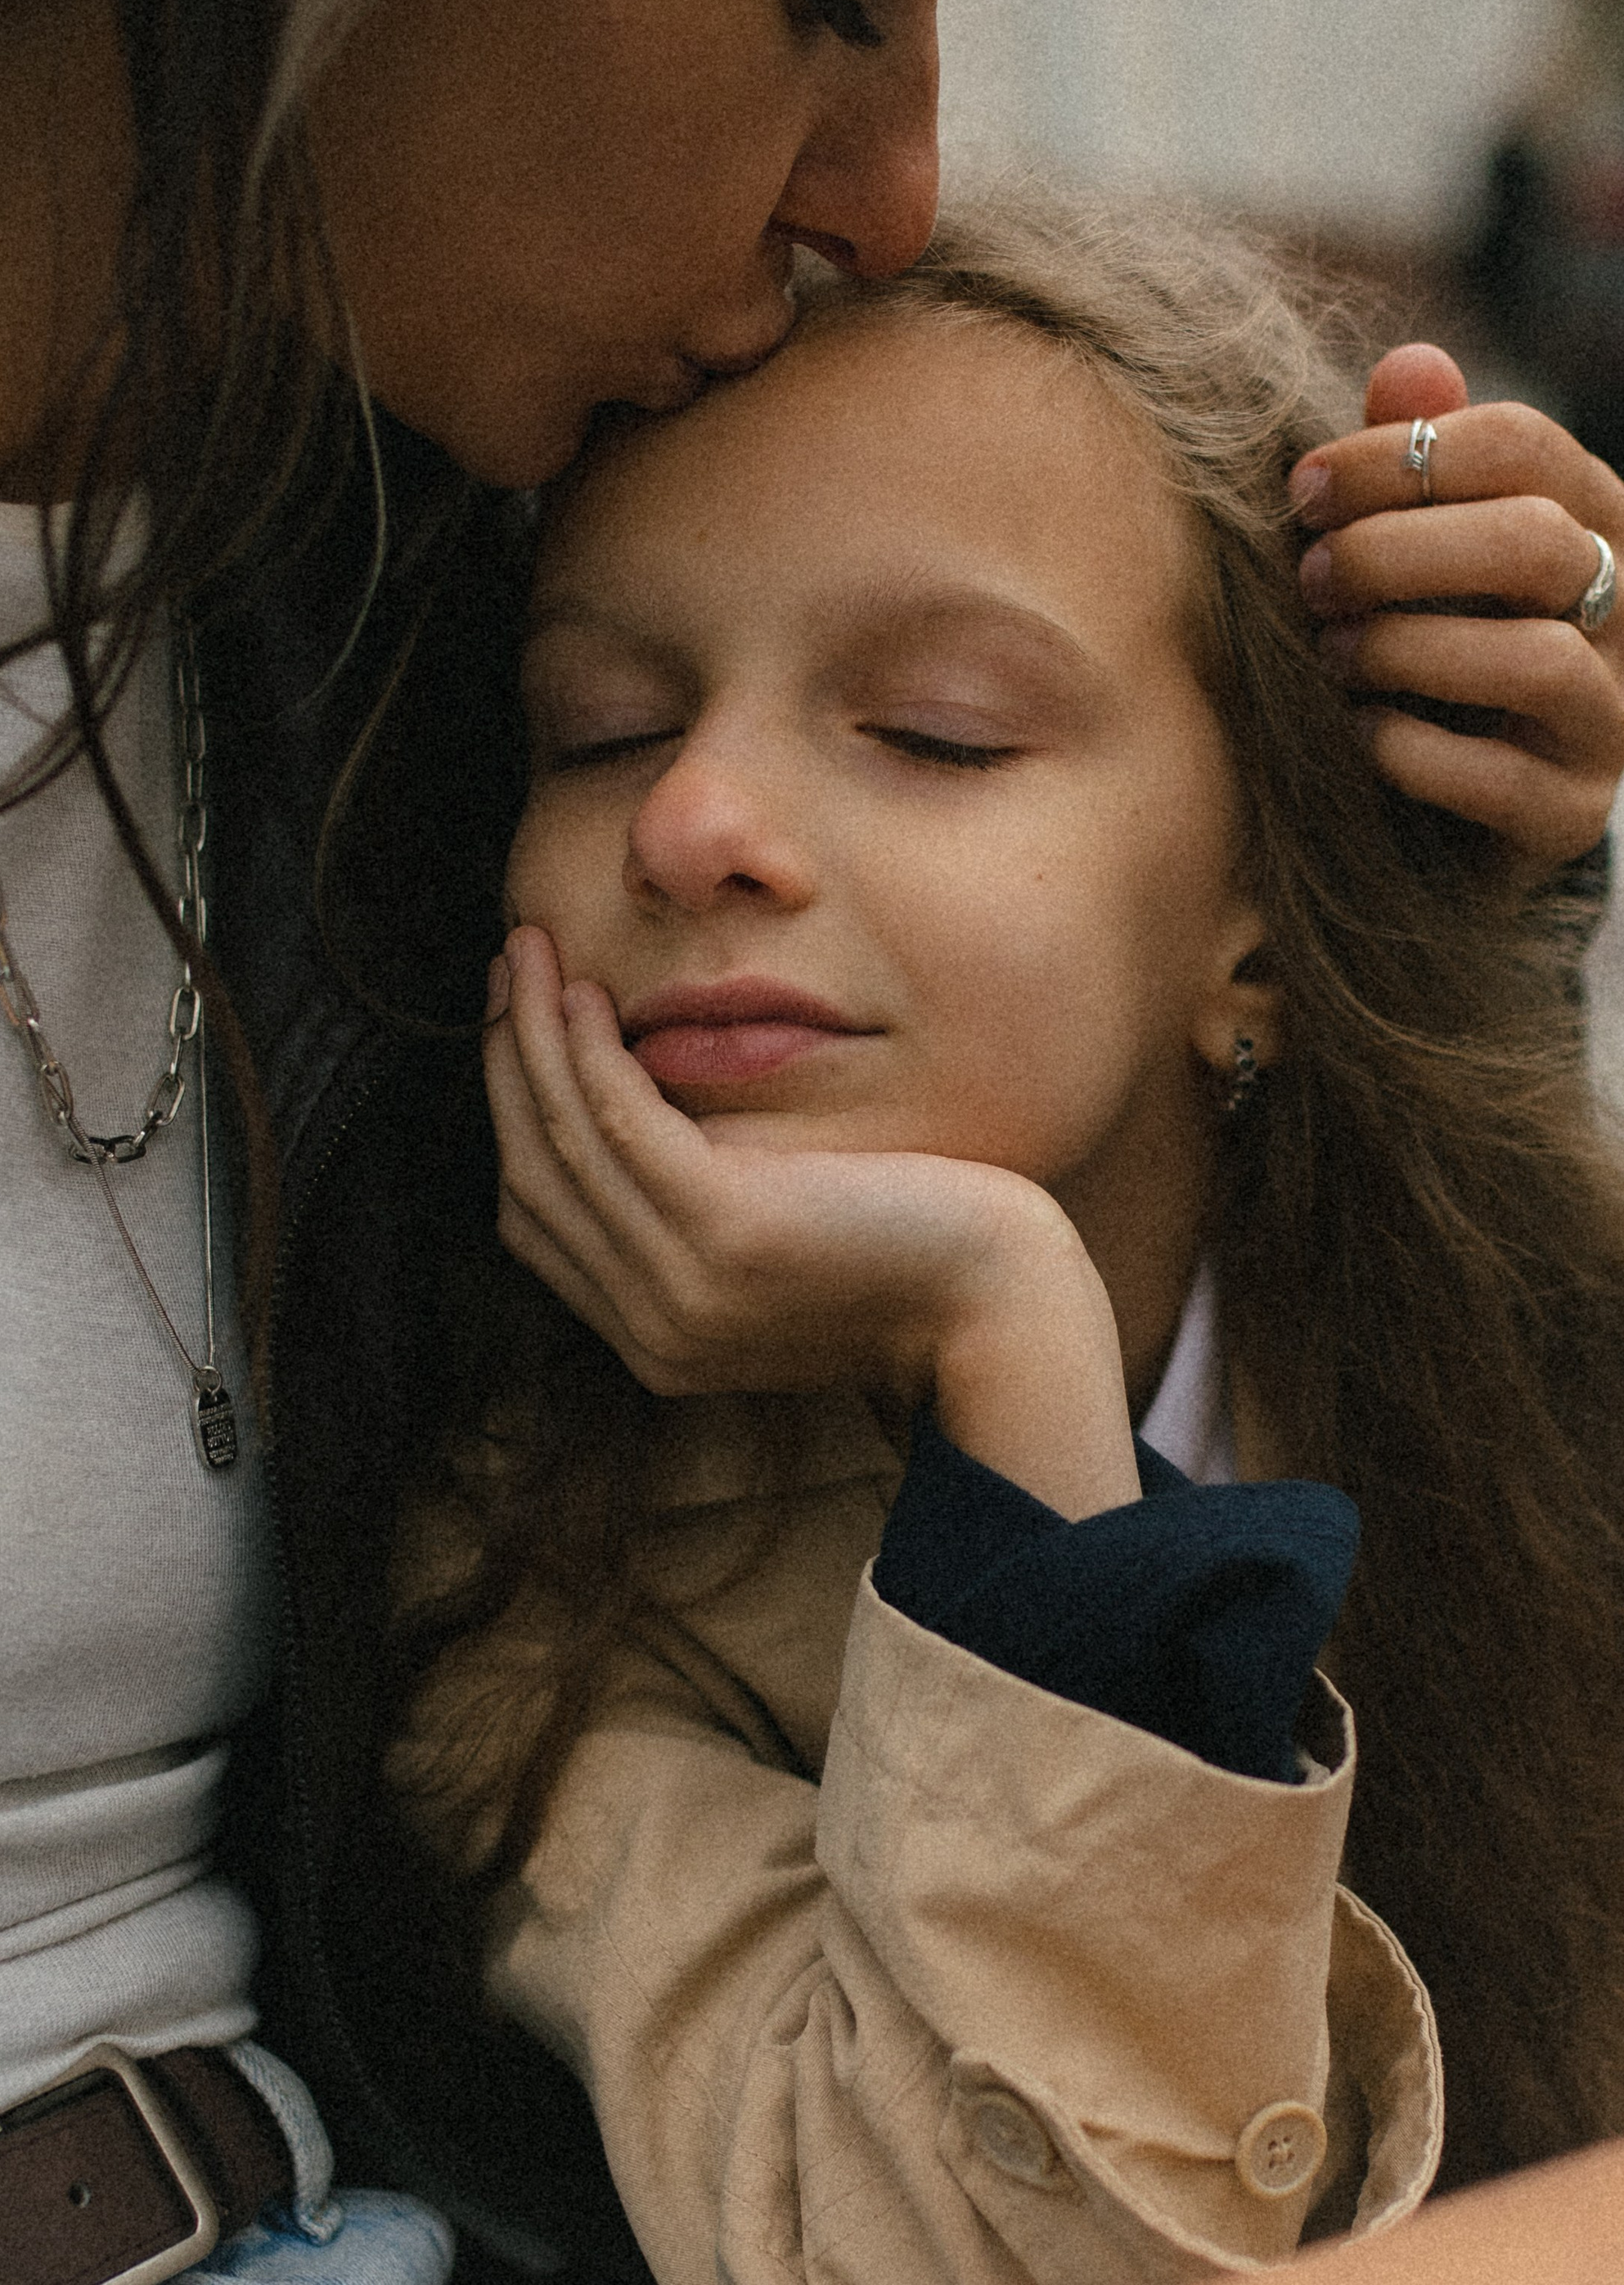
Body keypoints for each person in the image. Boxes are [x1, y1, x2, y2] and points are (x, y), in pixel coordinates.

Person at [0, 0, 1622, 2280]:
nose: (898, 188)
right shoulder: (453, 650)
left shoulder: (395, 579)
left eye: (926, 734)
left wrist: (1435, 880)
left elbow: (1310, 1647)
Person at [387, 192, 1624, 2283]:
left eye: (934, 731)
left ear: (1258, 930)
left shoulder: (1523, 1363)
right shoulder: (530, 1585)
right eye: (598, 731)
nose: (690, 823)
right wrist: (1008, 1341)